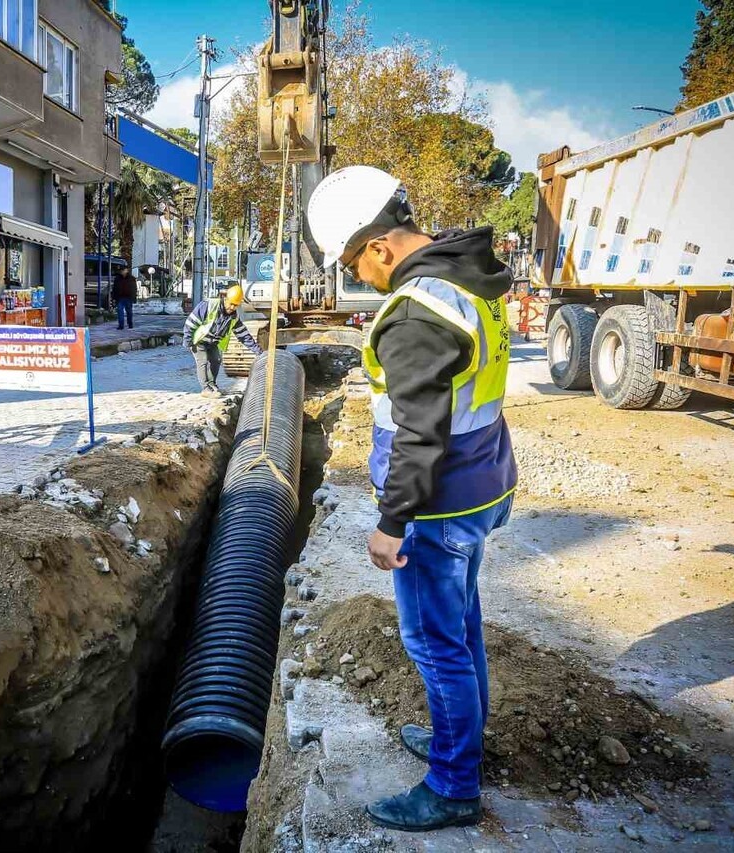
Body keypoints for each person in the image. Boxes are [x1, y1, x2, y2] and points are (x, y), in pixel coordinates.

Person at [304, 166, 517, 832]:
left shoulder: (418, 310)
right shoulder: (468, 280)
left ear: (379, 246)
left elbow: (419, 433)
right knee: (461, 627)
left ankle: (455, 783)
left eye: (352, 263)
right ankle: (464, 741)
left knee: (433, 641)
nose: (358, 279)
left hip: (438, 508)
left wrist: (391, 524)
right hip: (484, 483)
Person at [182, 284, 261, 397]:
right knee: (202, 361)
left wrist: (259, 351)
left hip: (213, 342)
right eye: (231, 304)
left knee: (216, 360)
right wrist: (188, 341)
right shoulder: (208, 306)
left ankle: (212, 385)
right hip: (198, 340)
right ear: (226, 298)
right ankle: (206, 389)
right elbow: (191, 322)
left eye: (236, 305)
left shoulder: (234, 318)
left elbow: (244, 335)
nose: (233, 308)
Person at [112, 265, 137, 330]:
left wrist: (134, 298)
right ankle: (121, 325)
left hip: (128, 297)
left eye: (123, 270)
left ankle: (130, 323)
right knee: (120, 311)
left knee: (129, 311)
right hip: (120, 298)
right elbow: (114, 288)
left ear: (126, 270)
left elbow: (134, 289)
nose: (122, 271)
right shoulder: (117, 278)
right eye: (121, 270)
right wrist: (114, 298)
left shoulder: (131, 278)